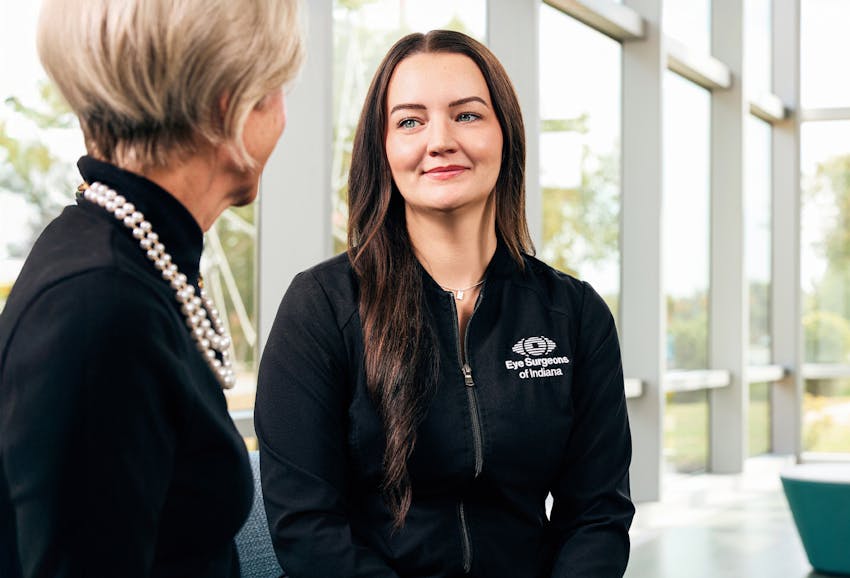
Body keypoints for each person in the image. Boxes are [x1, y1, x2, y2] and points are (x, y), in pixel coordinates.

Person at [256, 29, 633, 577]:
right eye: (410, 121)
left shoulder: (573, 314)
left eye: (468, 115)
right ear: (382, 149)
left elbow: (597, 515)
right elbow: (307, 528)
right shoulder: (320, 307)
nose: (440, 141)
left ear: (506, 135)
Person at [0, 0, 303, 576]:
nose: (285, 116)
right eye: (277, 88)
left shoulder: (128, 258)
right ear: (231, 106)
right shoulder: (99, 306)